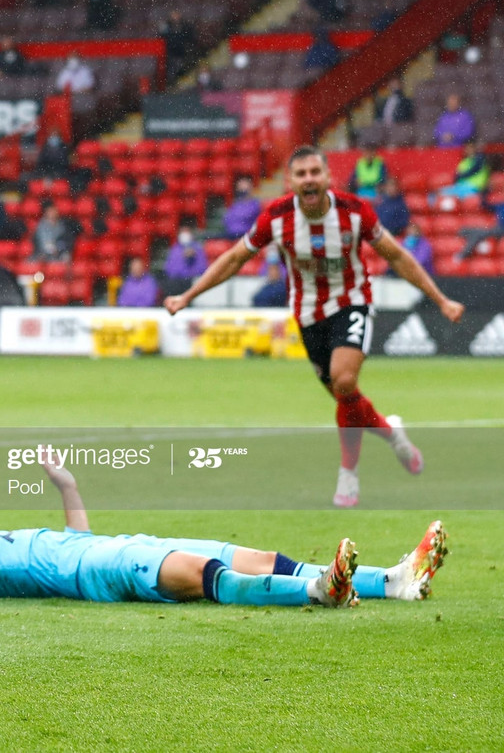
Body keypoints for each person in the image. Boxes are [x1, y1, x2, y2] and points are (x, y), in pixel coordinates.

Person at [164, 146, 465, 508]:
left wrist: (441, 298)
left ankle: (348, 476)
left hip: (352, 301)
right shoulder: (276, 217)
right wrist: (189, 295)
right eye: (301, 174)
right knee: (346, 400)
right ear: (290, 182)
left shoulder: (355, 212)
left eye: (314, 172)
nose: (309, 179)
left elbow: (397, 256)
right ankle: (393, 436)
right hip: (308, 315)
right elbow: (233, 259)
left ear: (327, 178)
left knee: (344, 380)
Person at [0, 423, 448, 608]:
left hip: (100, 549)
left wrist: (68, 486)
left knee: (243, 556)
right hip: (97, 573)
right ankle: (316, 593)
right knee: (200, 573)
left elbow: (75, 536)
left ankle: (390, 582)